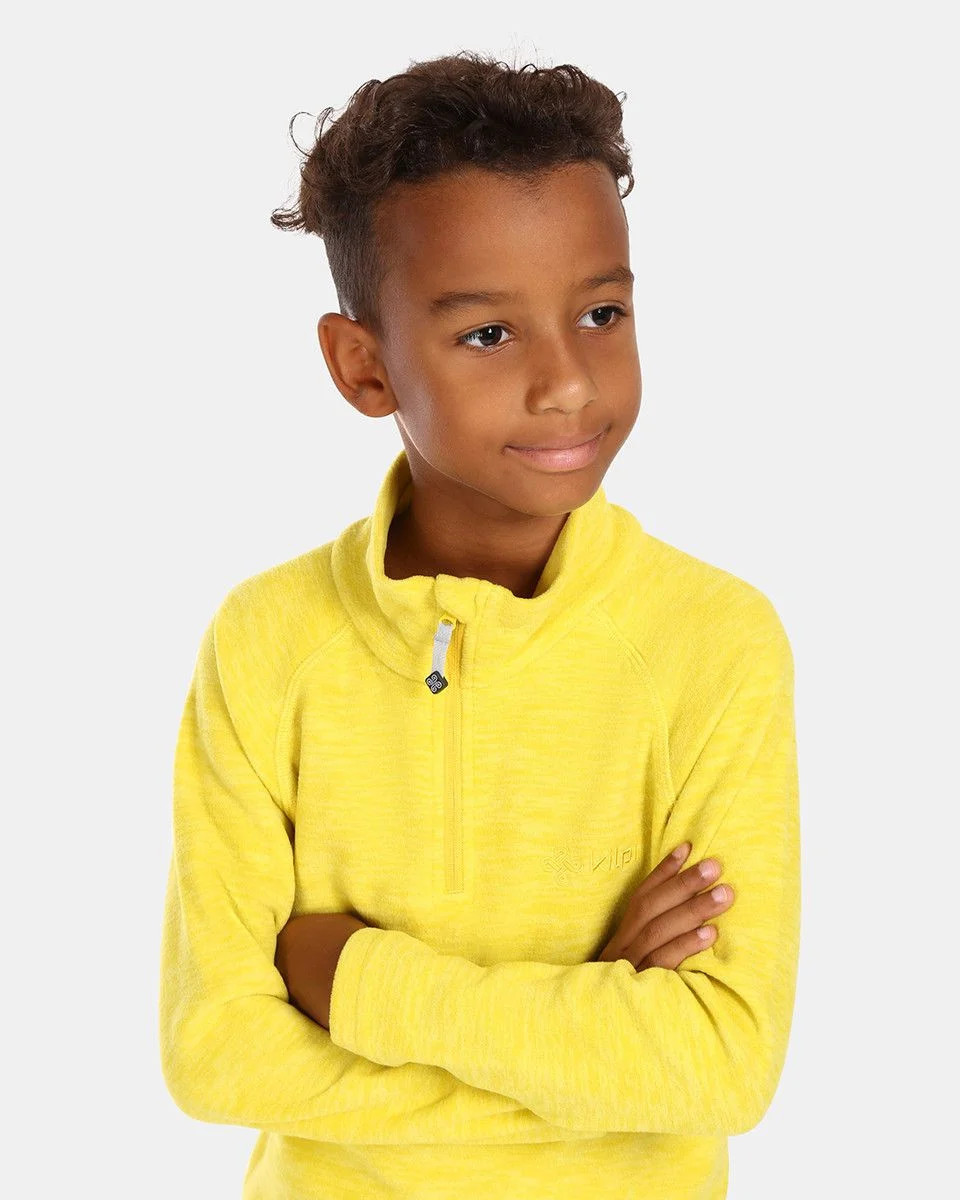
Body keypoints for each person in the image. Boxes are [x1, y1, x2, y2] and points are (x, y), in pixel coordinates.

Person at [158, 49, 800, 1200]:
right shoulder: (268, 642)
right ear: (365, 367)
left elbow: (722, 1066)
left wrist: (355, 979)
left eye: (601, 313)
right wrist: (594, 1028)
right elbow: (216, 1054)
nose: (569, 384)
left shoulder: (713, 641)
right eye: (489, 335)